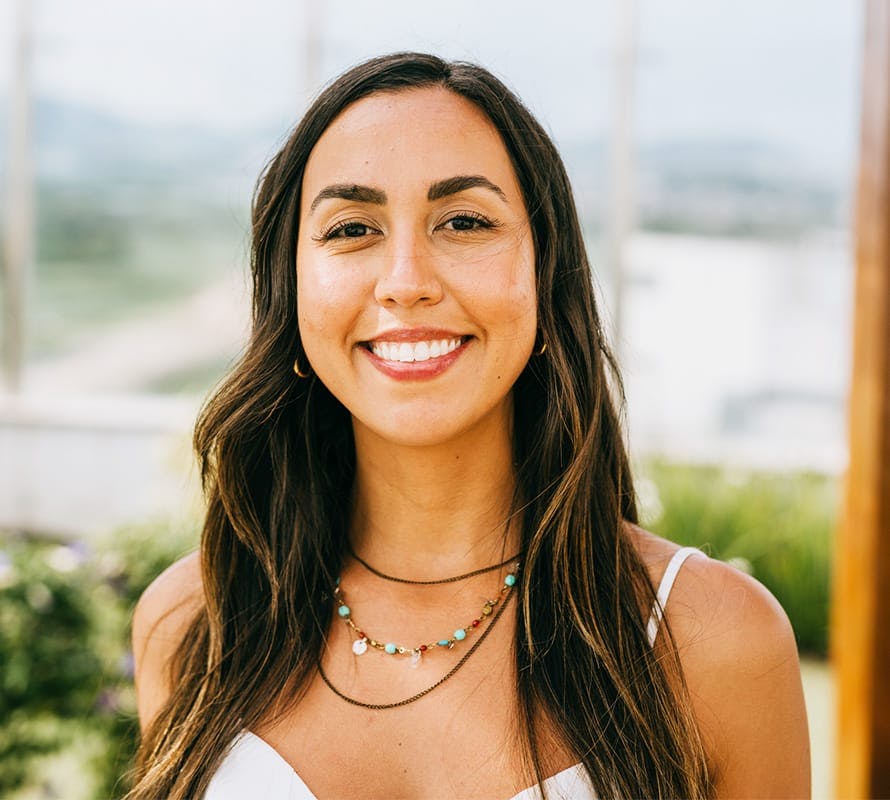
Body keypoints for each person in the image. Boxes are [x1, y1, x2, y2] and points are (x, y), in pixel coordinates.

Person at [128, 52, 810, 799]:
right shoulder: (195, 623)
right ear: (290, 298)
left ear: (547, 280)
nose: (407, 282)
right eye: (352, 228)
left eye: (464, 221)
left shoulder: (711, 641)